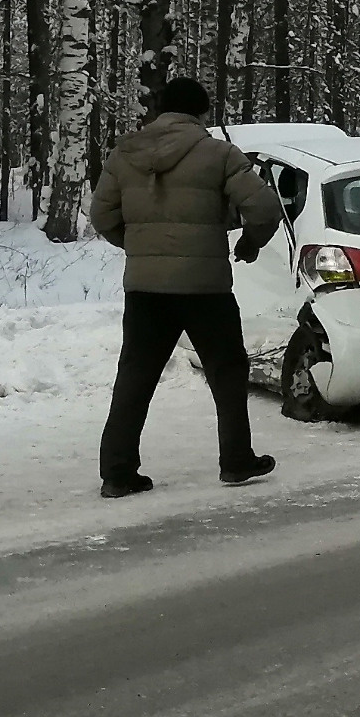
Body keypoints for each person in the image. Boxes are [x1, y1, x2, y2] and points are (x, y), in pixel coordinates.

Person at [90, 75, 281, 496]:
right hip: (205, 289)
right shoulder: (219, 153)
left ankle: (117, 473)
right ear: (202, 112)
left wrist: (141, 245)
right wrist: (248, 243)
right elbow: (264, 206)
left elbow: (102, 216)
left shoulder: (125, 154)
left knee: (135, 376)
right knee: (227, 372)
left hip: (145, 290)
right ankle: (235, 460)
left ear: (159, 110)